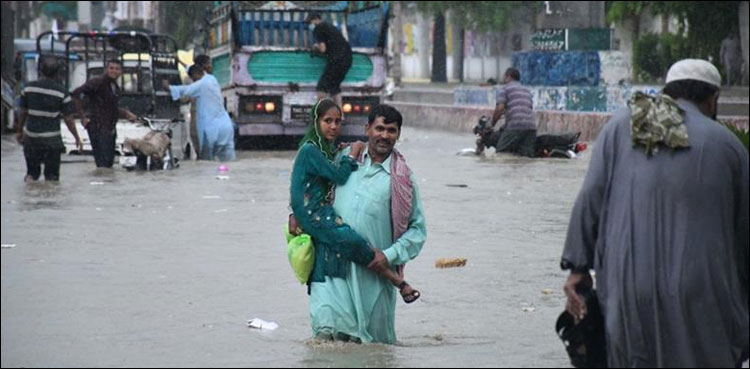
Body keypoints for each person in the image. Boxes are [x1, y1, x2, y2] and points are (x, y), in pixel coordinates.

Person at [561, 59, 748, 367]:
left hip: (627, 287)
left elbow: (589, 200)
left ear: (667, 92)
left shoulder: (620, 127)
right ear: (713, 98)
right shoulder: (727, 146)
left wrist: (577, 268)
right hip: (704, 293)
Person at [308, 103, 427, 344]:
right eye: (379, 128)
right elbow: (310, 183)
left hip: (372, 274)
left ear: (398, 134)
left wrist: (389, 255)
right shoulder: (344, 157)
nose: (384, 135)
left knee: (371, 347)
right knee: (326, 335)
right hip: (332, 267)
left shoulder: (403, 180)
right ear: (367, 129)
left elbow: (417, 230)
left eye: (391, 130)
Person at [16, 56, 82, 182]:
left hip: (31, 138)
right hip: (52, 141)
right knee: (52, 177)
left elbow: (22, 112)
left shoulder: (28, 88)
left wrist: (19, 131)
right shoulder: (61, 92)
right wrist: (76, 137)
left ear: (40, 71)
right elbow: (68, 119)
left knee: (31, 174)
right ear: (58, 73)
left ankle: (29, 196)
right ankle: (49, 199)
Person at [72, 59, 137, 168]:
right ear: (106, 70)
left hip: (110, 129)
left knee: (108, 166)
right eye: (111, 68)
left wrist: (126, 113)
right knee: (103, 164)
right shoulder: (97, 82)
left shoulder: (114, 87)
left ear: (121, 72)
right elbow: (75, 94)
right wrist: (82, 117)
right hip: (98, 128)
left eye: (117, 69)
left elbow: (110, 108)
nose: (114, 71)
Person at [164, 64, 235, 162]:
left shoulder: (201, 85)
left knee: (206, 163)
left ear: (195, 75)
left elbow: (186, 90)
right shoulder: (212, 79)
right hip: (226, 126)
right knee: (228, 160)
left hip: (210, 130)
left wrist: (168, 87)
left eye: (193, 79)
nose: (193, 81)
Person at [305, 11, 353, 107]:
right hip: (347, 59)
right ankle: (340, 116)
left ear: (315, 20)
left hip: (336, 60)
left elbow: (323, 49)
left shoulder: (319, 28)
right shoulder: (330, 27)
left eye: (310, 22)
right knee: (334, 87)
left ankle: (321, 114)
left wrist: (315, 47)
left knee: (321, 87)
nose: (310, 25)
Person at [489, 67, 536, 157]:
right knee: (527, 158)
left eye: (504, 77)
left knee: (501, 153)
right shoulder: (526, 91)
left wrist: (492, 124)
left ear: (508, 76)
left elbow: (500, 108)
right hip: (531, 127)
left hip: (516, 125)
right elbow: (527, 108)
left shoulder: (505, 89)